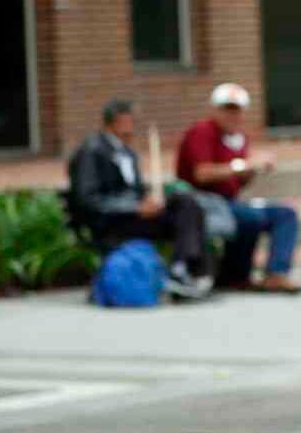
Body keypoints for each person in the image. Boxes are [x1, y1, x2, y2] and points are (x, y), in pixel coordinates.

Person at [67, 99, 211, 299]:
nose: (132, 127)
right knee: (183, 208)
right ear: (114, 122)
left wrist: (150, 201)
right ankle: (185, 273)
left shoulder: (127, 152)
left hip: (134, 217)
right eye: (128, 121)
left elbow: (133, 190)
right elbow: (88, 198)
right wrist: (135, 208)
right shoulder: (92, 150)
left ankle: (183, 268)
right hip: (111, 222)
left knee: (185, 202)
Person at [176, 83, 301, 293]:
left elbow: (237, 182)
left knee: (285, 213)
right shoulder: (201, 131)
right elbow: (202, 174)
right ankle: (235, 275)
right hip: (203, 202)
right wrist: (243, 165)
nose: (233, 115)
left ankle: (276, 274)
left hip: (230, 200)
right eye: (227, 109)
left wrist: (254, 169)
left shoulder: (239, 138)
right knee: (250, 218)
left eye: (237, 110)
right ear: (215, 110)